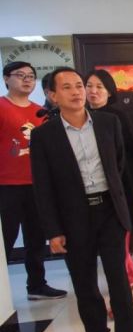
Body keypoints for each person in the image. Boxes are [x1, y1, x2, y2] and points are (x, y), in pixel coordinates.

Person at [30, 67, 133, 332]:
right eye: (67, 87)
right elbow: (43, 187)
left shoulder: (109, 123)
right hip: (73, 215)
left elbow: (119, 165)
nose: (77, 92)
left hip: (109, 209)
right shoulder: (44, 135)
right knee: (83, 278)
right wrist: (53, 231)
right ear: (53, 95)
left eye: (79, 85)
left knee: (118, 276)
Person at [1, 61, 67, 300]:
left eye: (31, 75)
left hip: (36, 185)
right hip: (6, 185)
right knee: (5, 239)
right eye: (20, 75)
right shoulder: (1, 107)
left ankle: (36, 285)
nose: (27, 79)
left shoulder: (41, 112)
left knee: (36, 237)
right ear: (6, 79)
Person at [86, 69, 133, 289]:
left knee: (120, 231)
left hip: (122, 184)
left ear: (109, 92)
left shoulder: (117, 116)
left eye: (99, 87)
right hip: (92, 187)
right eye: (89, 86)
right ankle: (129, 273)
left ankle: (128, 275)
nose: (93, 91)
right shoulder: (79, 116)